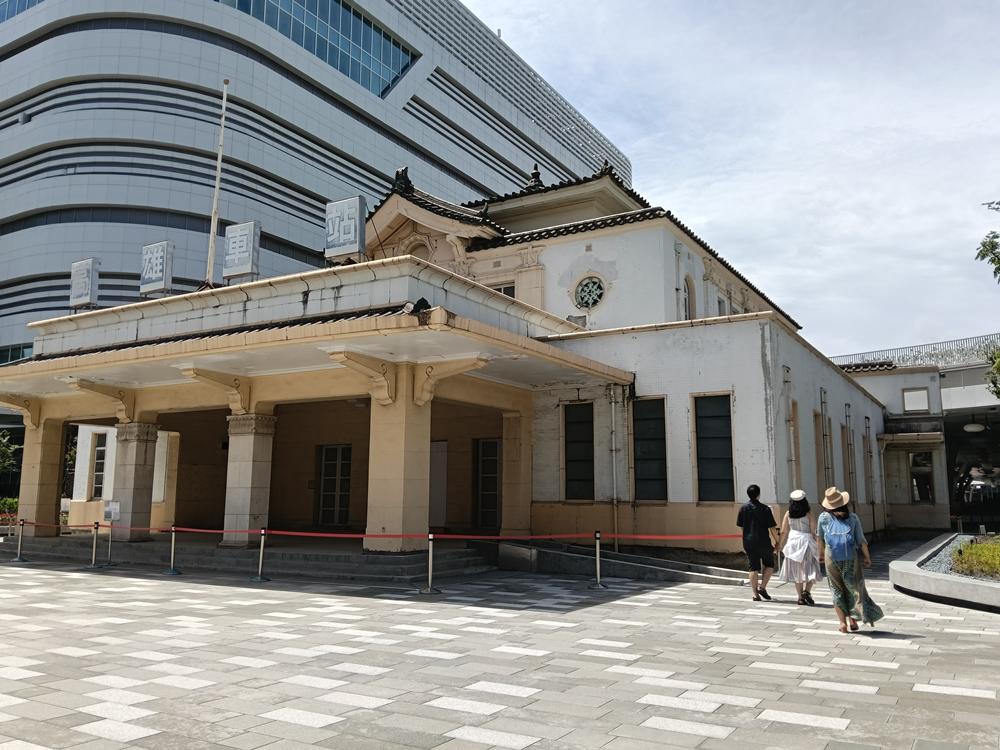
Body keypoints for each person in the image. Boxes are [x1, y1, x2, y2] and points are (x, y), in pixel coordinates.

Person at [816, 487, 884, 632]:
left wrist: (820, 554)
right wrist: (867, 557)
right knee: (852, 587)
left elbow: (820, 538)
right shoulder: (853, 518)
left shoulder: (823, 518)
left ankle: (842, 623)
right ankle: (853, 620)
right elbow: (861, 540)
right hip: (850, 557)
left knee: (836, 589)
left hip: (831, 557)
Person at [776, 489, 822, 605]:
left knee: (797, 571)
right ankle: (807, 591)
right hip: (806, 542)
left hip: (793, 543)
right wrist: (819, 546)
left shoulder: (788, 513)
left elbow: (783, 531)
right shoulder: (808, 513)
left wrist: (779, 545)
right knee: (812, 567)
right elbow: (813, 531)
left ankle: (800, 597)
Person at [736, 484, 778, 601]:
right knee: (769, 564)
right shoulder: (765, 509)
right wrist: (777, 541)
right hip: (764, 541)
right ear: (759, 494)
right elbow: (772, 528)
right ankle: (762, 587)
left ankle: (755, 594)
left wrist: (746, 537)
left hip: (749, 541)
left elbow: (742, 527)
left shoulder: (743, 508)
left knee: (753, 567)